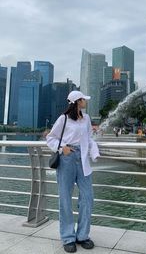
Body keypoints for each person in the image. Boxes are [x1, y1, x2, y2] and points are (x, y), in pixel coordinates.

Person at [46, 90, 100, 253]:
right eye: (84, 99)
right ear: (77, 101)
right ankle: (68, 237)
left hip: (82, 159)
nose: (86, 102)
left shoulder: (87, 118)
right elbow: (51, 138)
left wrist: (94, 151)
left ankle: (83, 235)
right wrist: (62, 148)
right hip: (67, 159)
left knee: (87, 197)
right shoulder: (63, 118)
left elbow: (89, 138)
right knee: (65, 199)